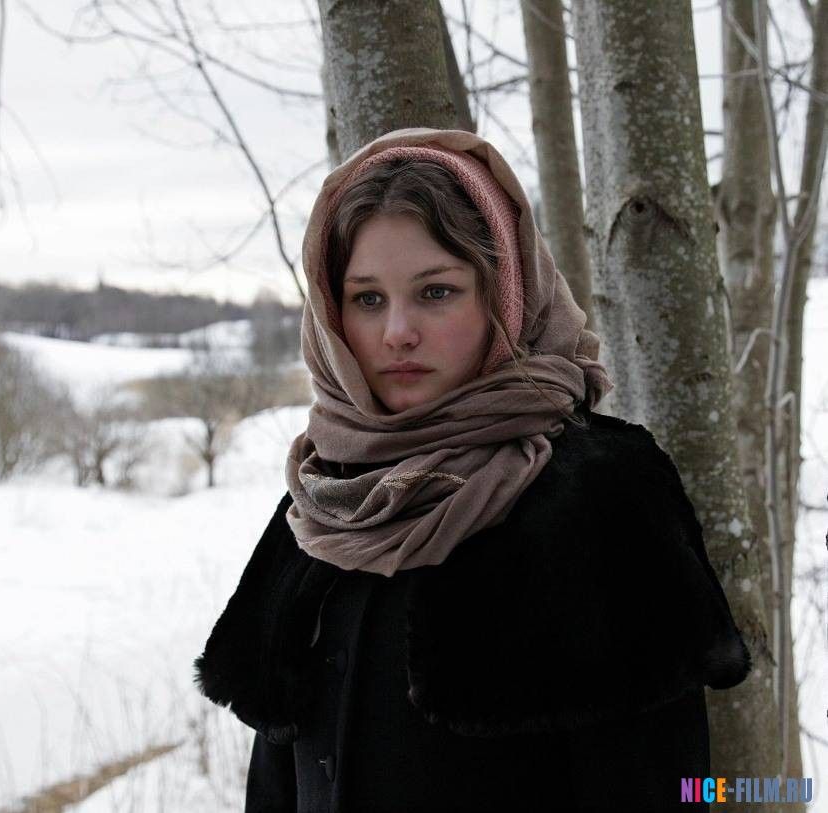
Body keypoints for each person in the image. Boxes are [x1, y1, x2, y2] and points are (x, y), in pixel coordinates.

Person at [193, 127, 751, 812]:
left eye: (436, 292)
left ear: (503, 295)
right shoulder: (325, 498)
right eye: (367, 298)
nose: (397, 331)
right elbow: (275, 788)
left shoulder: (601, 495)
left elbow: (655, 788)